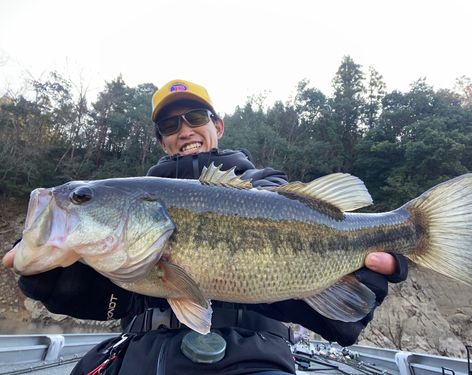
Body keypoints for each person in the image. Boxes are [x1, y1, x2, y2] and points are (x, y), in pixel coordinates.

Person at [2, 79, 407, 375]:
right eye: (169, 126)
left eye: (195, 117)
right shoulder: (132, 208)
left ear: (219, 125)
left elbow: (296, 265)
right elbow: (119, 300)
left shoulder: (268, 188)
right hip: (144, 354)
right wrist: (61, 283)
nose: (184, 131)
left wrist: (341, 306)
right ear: (162, 141)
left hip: (256, 358)